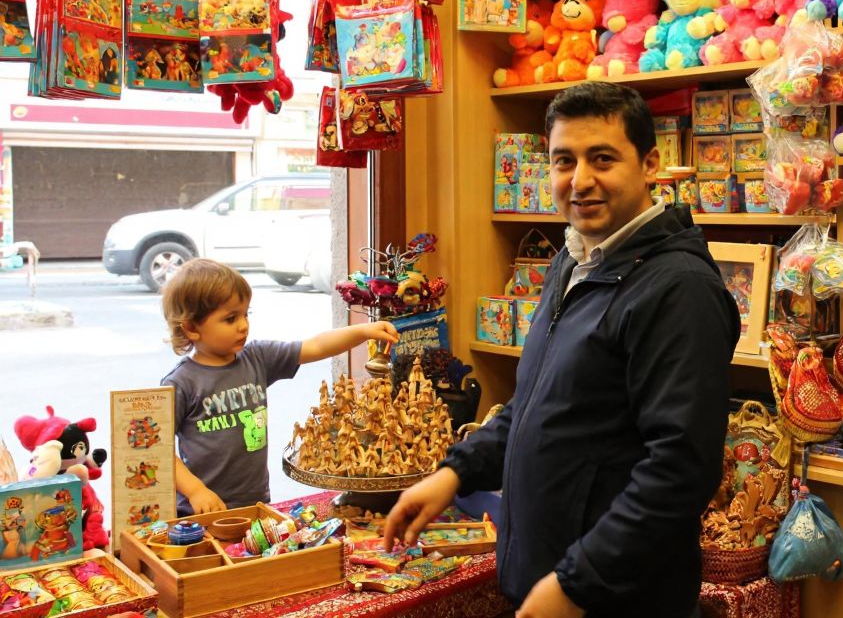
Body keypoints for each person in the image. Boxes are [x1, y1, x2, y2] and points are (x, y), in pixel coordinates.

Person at [384, 82, 739, 618]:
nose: (580, 181)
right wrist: (456, 473)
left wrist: (578, 583)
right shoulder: (572, 263)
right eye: (563, 161)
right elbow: (538, 407)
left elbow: (679, 471)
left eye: (602, 159)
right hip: (555, 582)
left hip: (618, 600)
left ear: (650, 165)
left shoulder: (678, 289)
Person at [160, 258, 399, 515]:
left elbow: (315, 346)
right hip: (201, 511)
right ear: (192, 328)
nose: (243, 325)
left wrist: (363, 331)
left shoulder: (257, 358)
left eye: (245, 314)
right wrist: (195, 490)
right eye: (230, 319)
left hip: (255, 504)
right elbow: (159, 449)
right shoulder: (181, 383)